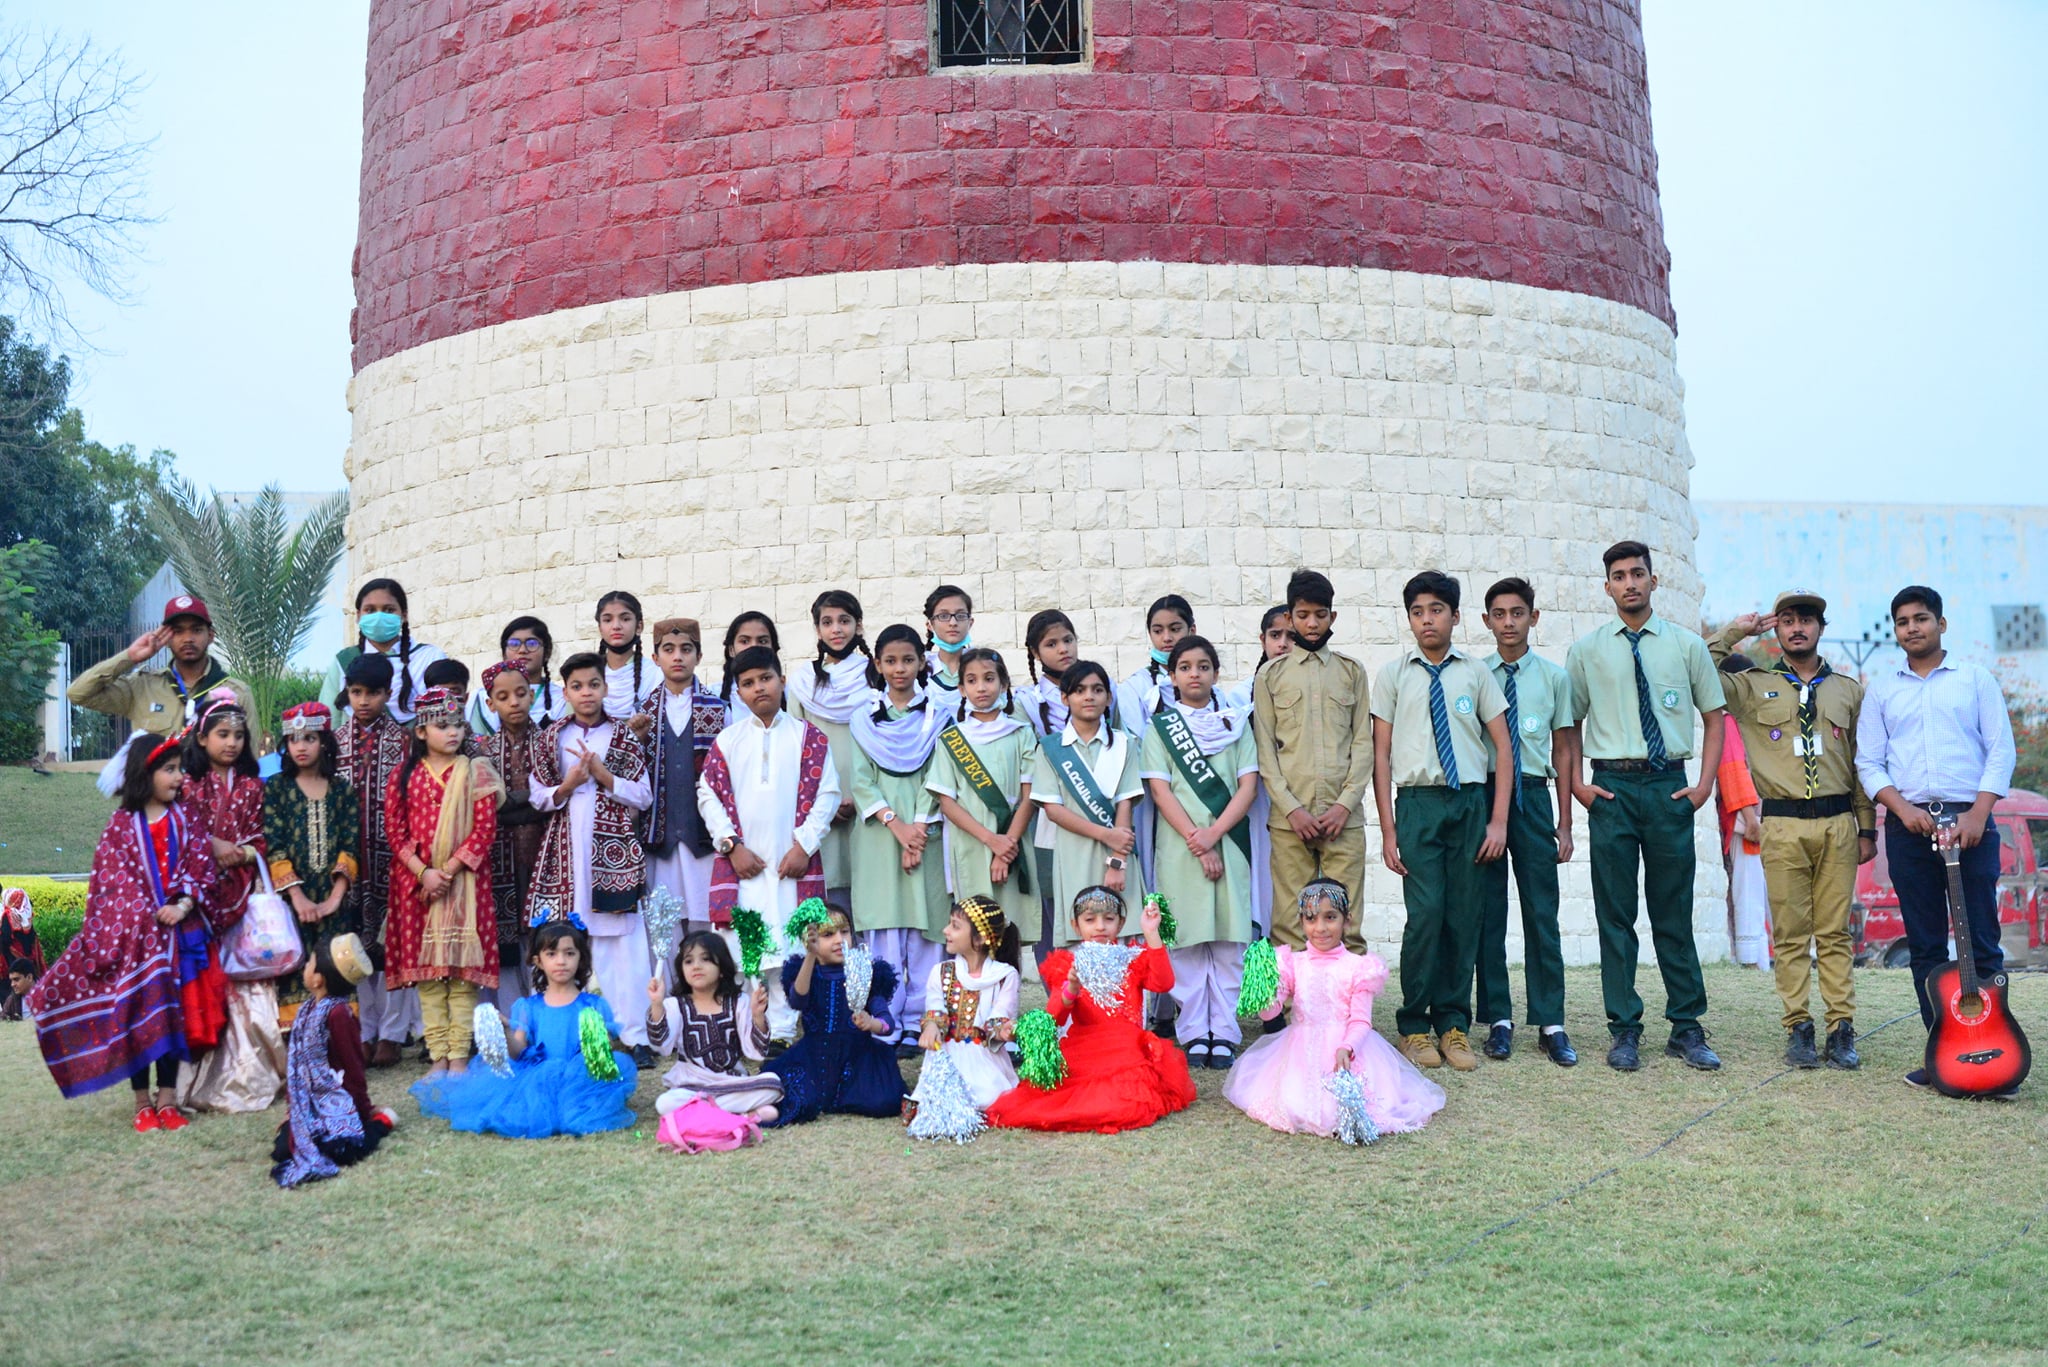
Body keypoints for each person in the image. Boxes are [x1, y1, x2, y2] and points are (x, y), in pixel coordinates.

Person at [1566, 540, 1727, 1073]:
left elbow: (1715, 717)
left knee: (1672, 911)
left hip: (1668, 787)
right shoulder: (1587, 651)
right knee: (1616, 915)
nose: (1629, 583)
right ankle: (1624, 1029)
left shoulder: (1686, 645)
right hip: (1611, 788)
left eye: (1638, 573)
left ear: (1653, 581)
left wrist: (1704, 786)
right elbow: (1568, 724)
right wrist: (1578, 786)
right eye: (1619, 576)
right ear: (1607, 587)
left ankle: (1686, 1026)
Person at [1854, 585, 2018, 1088]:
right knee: (1925, 946)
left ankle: (1997, 1050)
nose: (1912, 628)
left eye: (1921, 618)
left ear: (1941, 624)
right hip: (1911, 828)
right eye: (1903, 621)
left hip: (1971, 825)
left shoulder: (1975, 680)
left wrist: (1978, 813)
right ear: (1895, 630)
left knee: (1983, 942)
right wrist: (1902, 810)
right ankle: (1944, 1050)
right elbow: (1868, 762)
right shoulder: (1883, 691)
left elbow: (2001, 750)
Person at [1714, 592, 1878, 1069]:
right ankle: (1798, 1027)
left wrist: (1867, 828)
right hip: (1782, 823)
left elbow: (1861, 763)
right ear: (1777, 630)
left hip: (1838, 823)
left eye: (1806, 619)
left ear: (1821, 628)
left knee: (1834, 932)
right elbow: (1696, 670)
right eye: (1787, 620)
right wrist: (1737, 631)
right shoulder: (1752, 687)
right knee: (1789, 933)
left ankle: (1841, 1029)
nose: (1797, 628)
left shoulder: (1848, 691)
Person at [29, 736, 218, 1128]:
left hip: (179, 938)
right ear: (144, 773)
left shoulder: (186, 818)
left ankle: (168, 1101)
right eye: (169, 770)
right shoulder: (120, 826)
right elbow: (110, 886)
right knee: (138, 1020)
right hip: (135, 944)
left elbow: (201, 868)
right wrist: (142, 918)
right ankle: (141, 1104)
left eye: (180, 769)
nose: (179, 777)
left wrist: (182, 906)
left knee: (173, 1019)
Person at [1371, 571, 1513, 1073]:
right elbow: (1381, 755)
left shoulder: (1475, 673)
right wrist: (1389, 830)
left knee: (1463, 916)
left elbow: (1502, 748)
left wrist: (1498, 821)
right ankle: (1413, 1024)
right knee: (1426, 914)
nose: (1427, 620)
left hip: (1469, 803)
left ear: (1454, 616)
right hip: (1418, 804)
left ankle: (1453, 1023)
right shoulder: (1394, 675)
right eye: (1417, 612)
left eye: (1436, 610)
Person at [1224, 879, 1446, 1137]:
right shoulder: (1292, 963)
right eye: (1311, 918)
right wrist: (1261, 988)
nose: (1320, 927)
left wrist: (1347, 1047)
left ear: (1346, 920)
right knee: (1292, 1103)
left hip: (1347, 1049)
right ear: (1301, 921)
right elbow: (1270, 1013)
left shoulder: (1360, 968)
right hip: (1300, 1052)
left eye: (1330, 917)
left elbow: (1361, 1020)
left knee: (1350, 1105)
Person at [697, 645, 839, 1047]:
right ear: (738, 692)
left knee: (791, 944)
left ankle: (782, 1031)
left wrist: (804, 846)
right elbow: (708, 795)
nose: (758, 688)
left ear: (782, 681)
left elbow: (828, 794)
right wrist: (731, 846)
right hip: (745, 866)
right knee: (746, 950)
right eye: (748, 683)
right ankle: (750, 1029)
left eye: (766, 678)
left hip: (791, 864)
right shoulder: (728, 741)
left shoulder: (809, 738)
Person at [1474, 578, 1580, 1067]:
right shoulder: (1476, 675)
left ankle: (1551, 1022)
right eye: (1499, 614)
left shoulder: (1554, 678)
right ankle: (1498, 1018)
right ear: (1486, 621)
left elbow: (1564, 750)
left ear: (1533, 618)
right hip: (1486, 797)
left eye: (1518, 613)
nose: (1509, 622)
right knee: (1489, 911)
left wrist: (1565, 822)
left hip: (1534, 797)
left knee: (1542, 911)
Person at [985, 886, 1195, 1134]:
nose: (1100, 927)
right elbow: (1054, 1017)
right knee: (1068, 1095)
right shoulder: (1067, 964)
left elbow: (1163, 983)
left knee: (1124, 1100)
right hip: (1084, 1046)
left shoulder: (1133, 959)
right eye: (1090, 920)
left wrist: (1152, 935)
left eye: (1109, 919)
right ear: (1075, 925)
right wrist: (1071, 989)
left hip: (1127, 1045)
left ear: (1121, 923)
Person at [1140, 635, 1259, 1069]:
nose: (1195, 674)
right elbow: (1160, 790)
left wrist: (1214, 835)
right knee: (1186, 941)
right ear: (1172, 676)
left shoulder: (1236, 725)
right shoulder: (1159, 729)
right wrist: (1196, 838)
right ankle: (1193, 1031)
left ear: (1215, 673)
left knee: (1228, 939)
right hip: (1179, 846)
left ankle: (1224, 1031)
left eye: (1204, 666)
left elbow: (1248, 786)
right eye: (1186, 667)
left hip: (1230, 843)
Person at [529, 653, 655, 1056]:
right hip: (564, 853)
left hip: (613, 857)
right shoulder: (551, 738)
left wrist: (604, 776)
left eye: (594, 685)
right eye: (577, 686)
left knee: (624, 950)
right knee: (568, 943)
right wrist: (568, 785)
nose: (586, 693)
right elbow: (537, 796)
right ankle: (573, 1038)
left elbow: (643, 796)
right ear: (565, 692)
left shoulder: (623, 737)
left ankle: (634, 1036)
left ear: (605, 688)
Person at [415, 917, 639, 1138]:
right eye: (551, 954)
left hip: (579, 1077)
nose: (561, 961)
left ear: (581, 958)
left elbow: (605, 1052)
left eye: (569, 953)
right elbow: (518, 1051)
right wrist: (505, 1031)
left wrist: (597, 1039)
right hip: (537, 1077)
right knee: (521, 1110)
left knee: (582, 1108)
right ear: (538, 961)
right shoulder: (529, 1007)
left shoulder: (593, 1005)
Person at [385, 688, 502, 1083]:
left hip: (465, 883)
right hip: (416, 887)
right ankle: (437, 1056)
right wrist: (424, 873)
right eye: (442, 725)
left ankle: (459, 1057)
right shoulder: (403, 776)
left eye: (457, 725)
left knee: (462, 975)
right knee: (430, 976)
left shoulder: (476, 771)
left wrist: (446, 872)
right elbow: (395, 831)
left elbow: (485, 829)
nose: (452, 732)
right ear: (421, 731)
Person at [177, 691, 284, 1113]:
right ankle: (195, 1082)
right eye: (223, 734)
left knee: (248, 984)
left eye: (239, 735)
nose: (232, 743)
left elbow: (263, 836)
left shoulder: (254, 786)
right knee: (204, 988)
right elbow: (178, 833)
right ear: (202, 737)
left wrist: (242, 852)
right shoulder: (186, 784)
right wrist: (211, 844)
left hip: (244, 898)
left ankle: (252, 1075)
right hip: (197, 902)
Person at [1253, 569, 1371, 951]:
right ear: (1290, 618)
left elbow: (1363, 744)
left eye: (1321, 614)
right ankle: (1292, 992)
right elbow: (1265, 751)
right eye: (1303, 615)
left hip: (1343, 820)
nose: (1312, 623)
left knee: (1346, 922)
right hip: (1290, 822)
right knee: (1289, 924)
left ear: (1332, 616)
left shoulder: (1352, 672)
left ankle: (1350, 991)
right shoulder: (1270, 676)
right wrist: (1291, 809)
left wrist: (1344, 805)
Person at [846, 624, 949, 1053]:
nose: (900, 668)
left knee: (927, 929)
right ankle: (887, 1021)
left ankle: (922, 1022)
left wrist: (917, 830)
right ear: (877, 664)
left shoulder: (939, 716)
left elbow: (940, 776)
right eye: (890, 661)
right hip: (879, 835)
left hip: (928, 832)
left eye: (908, 659)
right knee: (884, 928)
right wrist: (897, 827)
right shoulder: (863, 719)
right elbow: (860, 780)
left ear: (922, 662)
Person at [927, 648, 1040, 958]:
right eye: (972, 680)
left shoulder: (1021, 733)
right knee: (973, 931)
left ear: (1003, 684)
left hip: (1014, 845)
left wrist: (1006, 848)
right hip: (971, 846)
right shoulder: (952, 739)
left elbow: (1030, 796)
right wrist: (992, 841)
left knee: (1010, 933)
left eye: (989, 679)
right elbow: (947, 803)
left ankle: (1009, 988)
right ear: (962, 689)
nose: (981, 687)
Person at [335, 652, 419, 1066]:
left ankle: (393, 1032)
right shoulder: (333, 742)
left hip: (394, 860)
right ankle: (364, 1030)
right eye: (356, 692)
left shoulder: (405, 742)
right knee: (354, 945)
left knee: (391, 946)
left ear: (388, 693)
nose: (364, 701)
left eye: (372, 693)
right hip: (348, 864)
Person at [1031, 660, 1147, 949]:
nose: (1089, 697)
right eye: (1079, 690)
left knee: (1123, 938)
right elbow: (1053, 810)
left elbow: (1125, 804)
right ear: (1065, 697)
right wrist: (1106, 834)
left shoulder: (1124, 744)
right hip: (1073, 856)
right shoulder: (1050, 748)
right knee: (1079, 940)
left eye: (1097, 690)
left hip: (1118, 855)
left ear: (1108, 698)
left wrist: (1117, 862)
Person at [271, 933, 396, 1189]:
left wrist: (363, 1109)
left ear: (318, 979)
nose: (305, 967)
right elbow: (299, 1069)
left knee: (344, 1150)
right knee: (283, 1150)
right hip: (312, 1105)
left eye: (310, 963)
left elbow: (353, 1066)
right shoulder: (307, 1010)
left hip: (338, 1101)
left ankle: (381, 1123)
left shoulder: (339, 1014)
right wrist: (293, 1110)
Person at [637, 619, 728, 971]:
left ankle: (712, 991)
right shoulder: (641, 713)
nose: (678, 657)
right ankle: (666, 994)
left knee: (707, 920)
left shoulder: (718, 710)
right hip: (659, 839)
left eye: (686, 650)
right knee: (663, 925)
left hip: (702, 836)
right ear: (655, 657)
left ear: (699, 656)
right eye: (669, 650)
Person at [763, 903, 905, 1126]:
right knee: (799, 1100)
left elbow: (888, 1023)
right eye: (828, 935)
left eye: (845, 932)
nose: (839, 940)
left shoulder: (865, 972)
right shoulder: (805, 972)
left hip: (859, 1059)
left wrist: (872, 1023)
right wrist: (810, 957)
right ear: (810, 940)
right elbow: (798, 1000)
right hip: (813, 1057)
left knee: (883, 1102)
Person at [263, 703, 359, 1029]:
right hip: (291, 905)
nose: (300, 747)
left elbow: (350, 844)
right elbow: (274, 845)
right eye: (293, 739)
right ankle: (298, 1040)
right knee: (296, 971)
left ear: (325, 742)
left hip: (335, 904)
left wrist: (334, 899)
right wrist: (298, 897)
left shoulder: (342, 790)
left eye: (309, 738)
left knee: (336, 968)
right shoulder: (276, 788)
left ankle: (340, 1038)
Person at [69, 595, 253, 743]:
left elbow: (249, 763)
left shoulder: (237, 693)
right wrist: (129, 657)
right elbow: (77, 694)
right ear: (166, 638)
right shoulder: (142, 686)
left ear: (211, 635)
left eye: (196, 630)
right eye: (178, 631)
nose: (188, 639)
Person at [466, 663, 545, 1008]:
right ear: (490, 703)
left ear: (532, 695)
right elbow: (487, 806)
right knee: (505, 936)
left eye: (520, 693)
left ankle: (549, 1009)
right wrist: (536, 798)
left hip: (545, 849)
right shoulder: (481, 751)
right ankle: (513, 1019)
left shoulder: (549, 741)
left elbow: (557, 797)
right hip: (500, 853)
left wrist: (511, 802)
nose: (514, 702)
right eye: (503, 696)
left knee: (545, 932)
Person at [787, 590, 871, 902]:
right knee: (831, 903)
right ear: (818, 629)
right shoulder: (803, 683)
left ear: (858, 625)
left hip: (871, 801)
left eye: (844, 621)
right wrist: (824, 804)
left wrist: (862, 798)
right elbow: (794, 750)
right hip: (821, 804)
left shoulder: (875, 675)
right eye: (827, 622)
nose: (836, 629)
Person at [644, 930, 781, 1122]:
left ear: (722, 968)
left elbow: (756, 1051)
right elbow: (661, 1045)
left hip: (731, 1082)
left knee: (773, 1083)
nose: (696, 966)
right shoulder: (676, 1005)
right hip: (691, 1085)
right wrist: (657, 1004)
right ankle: (740, 1114)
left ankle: (703, 1112)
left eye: (706, 959)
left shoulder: (738, 1001)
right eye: (688, 961)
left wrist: (758, 1015)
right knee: (665, 1103)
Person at [908, 896, 1021, 1125]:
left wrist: (1004, 1031)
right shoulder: (941, 971)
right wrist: (931, 1027)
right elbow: (935, 1005)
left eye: (955, 926)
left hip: (984, 1059)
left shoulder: (1004, 975)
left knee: (991, 1099)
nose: (946, 930)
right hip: (947, 1056)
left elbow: (999, 1015)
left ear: (979, 938)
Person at [319, 578, 445, 725]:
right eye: (370, 610)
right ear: (358, 616)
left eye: (389, 610)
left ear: (404, 615)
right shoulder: (344, 661)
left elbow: (449, 711)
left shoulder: (429, 657)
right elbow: (329, 719)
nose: (379, 617)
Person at [1712, 682, 1769, 969]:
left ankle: (1749, 957)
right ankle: (1750, 960)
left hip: (1740, 815)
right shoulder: (1727, 721)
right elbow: (1732, 769)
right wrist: (1750, 818)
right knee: (1749, 891)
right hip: (1741, 819)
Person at [466, 616, 568, 732]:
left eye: (532, 643)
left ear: (547, 652)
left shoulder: (562, 700)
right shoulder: (479, 700)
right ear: (504, 653)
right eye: (514, 644)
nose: (522, 650)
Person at [1114, 594, 1196, 735]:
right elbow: (1136, 741)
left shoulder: (1203, 681)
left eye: (1175, 629)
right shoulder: (1134, 688)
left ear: (1191, 631)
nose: (1166, 638)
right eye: (1158, 631)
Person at [921, 584, 978, 709]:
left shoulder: (984, 664)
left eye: (960, 615)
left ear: (970, 622)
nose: (953, 623)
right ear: (930, 625)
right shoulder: (920, 669)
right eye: (943, 616)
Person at [594, 590, 648, 721]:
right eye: (608, 620)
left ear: (639, 626)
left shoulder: (656, 675)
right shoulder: (585, 674)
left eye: (625, 619)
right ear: (600, 628)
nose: (616, 626)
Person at [716, 611, 780, 702]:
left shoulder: (792, 692)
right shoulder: (713, 696)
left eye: (762, 641)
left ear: (773, 648)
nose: (753, 647)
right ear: (731, 650)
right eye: (745, 641)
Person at [2, 887, 48, 987]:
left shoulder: (8, 914)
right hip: (28, 954)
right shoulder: (27, 914)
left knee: (14, 984)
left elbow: (5, 939)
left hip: (13, 956)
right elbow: (32, 935)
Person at [4, 958, 38, 1022]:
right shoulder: (12, 1000)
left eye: (16, 980)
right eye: (11, 980)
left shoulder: (48, 993)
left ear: (29, 977)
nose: (12, 984)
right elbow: (3, 1021)